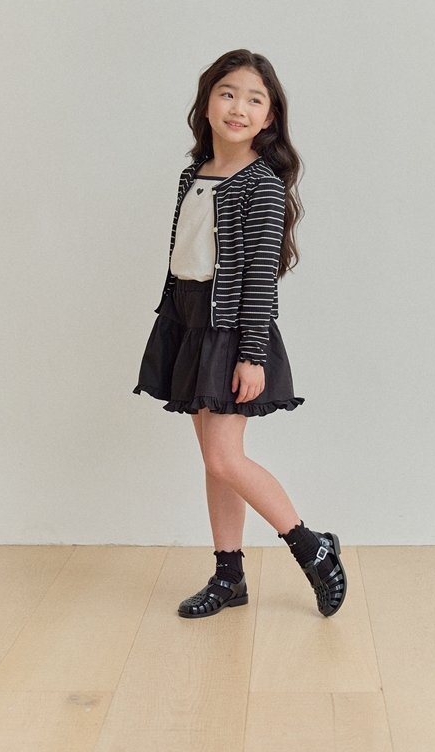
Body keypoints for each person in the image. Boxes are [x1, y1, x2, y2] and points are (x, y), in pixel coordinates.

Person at [132, 48, 347, 619]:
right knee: (215, 459)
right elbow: (187, 256)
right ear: (206, 103)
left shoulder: (262, 185)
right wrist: (172, 322)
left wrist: (251, 353)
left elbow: (258, 278)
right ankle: (229, 575)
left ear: (269, 117)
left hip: (231, 332)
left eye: (255, 99)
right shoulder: (195, 175)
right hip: (189, 323)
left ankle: (313, 547)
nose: (238, 107)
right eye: (228, 93)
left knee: (225, 457)